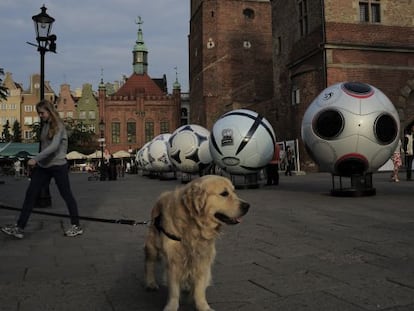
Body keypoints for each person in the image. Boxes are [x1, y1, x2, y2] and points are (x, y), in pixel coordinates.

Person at [1, 100, 83, 239]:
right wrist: (39, 162)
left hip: (58, 166)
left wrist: (36, 159)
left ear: (49, 111)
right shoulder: (45, 126)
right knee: (30, 194)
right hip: (44, 167)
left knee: (66, 195)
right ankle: (20, 227)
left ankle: (76, 225)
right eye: (38, 113)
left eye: (42, 113)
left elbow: (54, 147)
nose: (40, 115)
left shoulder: (59, 126)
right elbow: (45, 146)